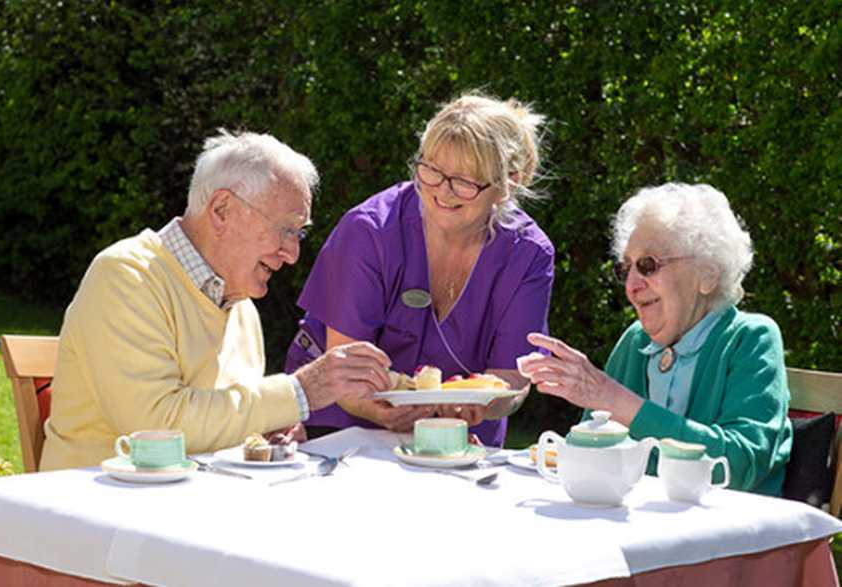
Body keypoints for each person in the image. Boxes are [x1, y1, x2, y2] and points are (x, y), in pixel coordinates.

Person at [39, 130, 392, 471]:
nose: (293, 253)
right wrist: (298, 393)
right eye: (285, 229)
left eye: (298, 233)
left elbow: (223, 421)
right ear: (222, 209)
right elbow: (155, 427)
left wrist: (268, 431)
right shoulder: (126, 276)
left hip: (190, 506)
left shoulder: (241, 308)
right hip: (95, 510)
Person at [284, 92, 555, 447]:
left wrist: (482, 406)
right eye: (431, 171)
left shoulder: (529, 254)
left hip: (458, 443)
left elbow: (512, 380)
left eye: (465, 181)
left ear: (509, 183)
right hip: (340, 428)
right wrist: (381, 411)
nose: (442, 191)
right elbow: (344, 367)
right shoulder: (369, 231)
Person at [522, 183, 792, 495]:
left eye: (648, 265)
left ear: (708, 274)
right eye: (626, 269)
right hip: (644, 530)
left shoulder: (750, 338)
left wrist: (613, 398)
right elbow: (593, 452)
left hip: (733, 536)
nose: (632, 286)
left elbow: (739, 466)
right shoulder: (634, 343)